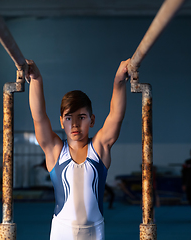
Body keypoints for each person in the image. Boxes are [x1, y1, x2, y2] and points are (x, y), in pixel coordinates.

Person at [27, 58, 129, 240]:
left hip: (94, 231)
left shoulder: (99, 148)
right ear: (61, 121)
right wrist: (36, 79)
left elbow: (116, 116)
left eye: (81, 117)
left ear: (92, 120)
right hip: (61, 230)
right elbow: (39, 117)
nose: (74, 124)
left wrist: (119, 80)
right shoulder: (55, 150)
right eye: (68, 118)